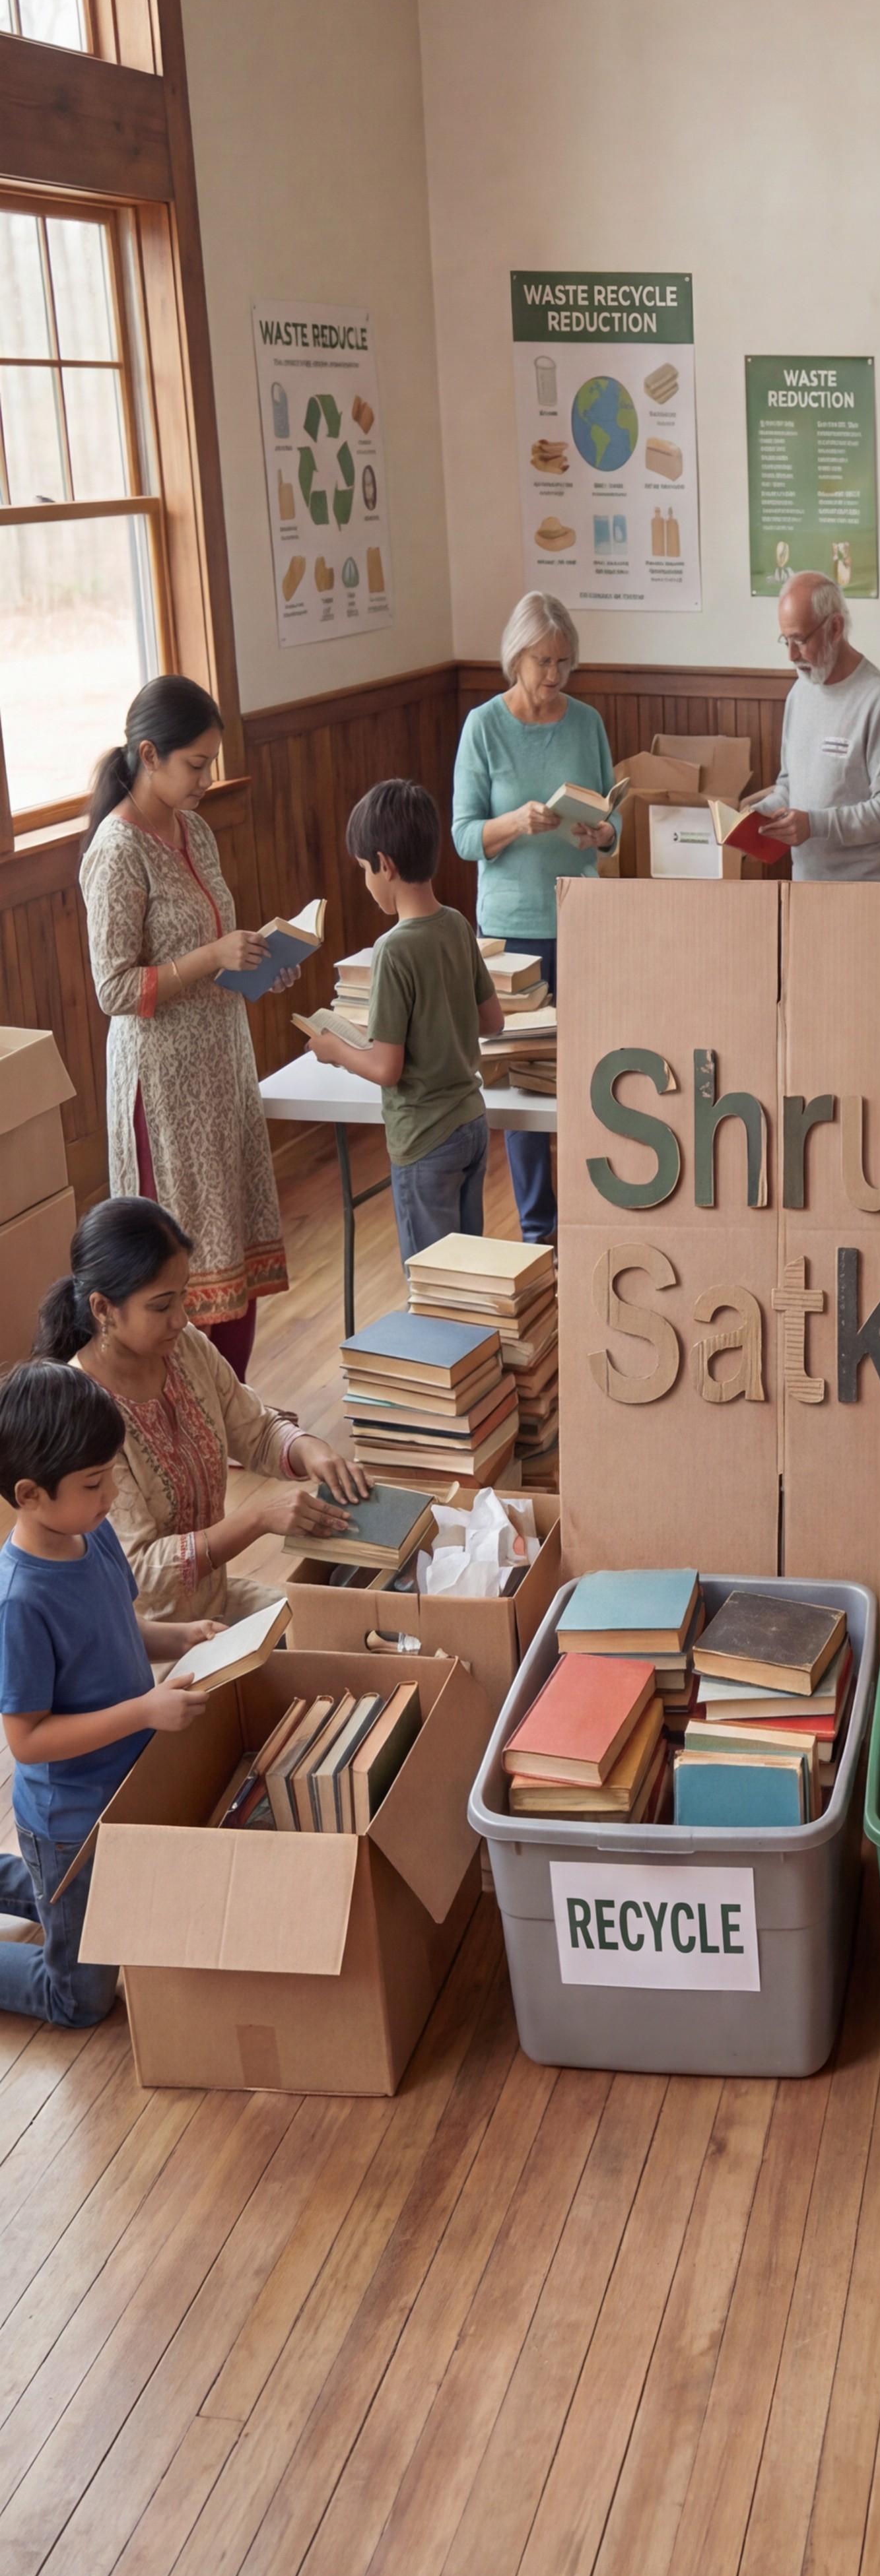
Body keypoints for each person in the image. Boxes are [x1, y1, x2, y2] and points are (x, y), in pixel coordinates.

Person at [78, 677, 292, 1379]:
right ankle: (191, 1418)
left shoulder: (195, 829)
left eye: (212, 761)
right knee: (179, 1255)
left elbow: (211, 949)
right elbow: (113, 986)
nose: (207, 777)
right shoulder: (117, 851)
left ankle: (231, 1407)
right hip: (164, 1085)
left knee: (231, 1235)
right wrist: (212, 956)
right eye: (196, 764)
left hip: (221, 1064)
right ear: (148, 754)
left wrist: (260, 961)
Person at [0, 1361, 217, 2030]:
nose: (111, 1491)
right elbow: (27, 1739)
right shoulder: (20, 1600)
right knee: (82, 1999)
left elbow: (119, 1627)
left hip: (126, 1789)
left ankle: (34, 1887)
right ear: (30, 1494)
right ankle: (40, 1888)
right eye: (95, 1482)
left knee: (126, 1904)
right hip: (70, 1824)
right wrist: (144, 1711)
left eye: (112, 1471)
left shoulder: (92, 1535)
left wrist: (180, 1635)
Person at [34, 1196, 366, 1623]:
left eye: (183, 1296)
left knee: (335, 1629)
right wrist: (260, 1519)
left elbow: (256, 1428)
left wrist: (308, 1449)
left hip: (215, 1606)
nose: (181, 1318)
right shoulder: (82, 1410)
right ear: (103, 1309)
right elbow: (141, 1571)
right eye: (161, 1305)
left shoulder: (185, 1348)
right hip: (144, 1642)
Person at [450, 595, 617, 1242]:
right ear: (515, 656)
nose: (554, 675)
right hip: (511, 926)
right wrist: (518, 821)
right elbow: (465, 836)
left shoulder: (586, 722)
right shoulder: (483, 727)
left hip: (580, 916)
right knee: (523, 1082)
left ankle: (593, 1205)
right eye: (544, 661)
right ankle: (540, 1227)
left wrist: (602, 832)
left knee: (586, 1070)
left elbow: (615, 815)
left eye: (564, 663)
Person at [304, 779, 506, 1265]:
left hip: (424, 1139)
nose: (366, 882)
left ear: (386, 865)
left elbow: (387, 1067)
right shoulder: (457, 924)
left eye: (363, 870)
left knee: (433, 1287)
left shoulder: (394, 950)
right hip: (471, 1124)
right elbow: (493, 1020)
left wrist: (336, 1050)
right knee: (468, 1278)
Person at [751, 572, 880, 881]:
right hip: (805, 886)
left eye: (800, 640)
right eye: (786, 640)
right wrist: (759, 814)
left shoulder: (879, 698)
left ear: (835, 628)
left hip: (862, 894)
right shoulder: (800, 693)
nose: (791, 655)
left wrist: (816, 825)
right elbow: (788, 785)